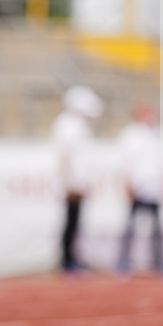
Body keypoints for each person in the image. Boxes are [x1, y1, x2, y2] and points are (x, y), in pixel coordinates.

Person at [114, 104, 163, 275]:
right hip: (137, 186)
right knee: (130, 226)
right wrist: (128, 184)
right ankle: (124, 262)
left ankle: (159, 262)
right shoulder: (130, 134)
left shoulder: (159, 133)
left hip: (155, 188)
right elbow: (125, 162)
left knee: (157, 227)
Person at [52, 85, 102, 273]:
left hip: (77, 182)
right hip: (71, 183)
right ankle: (67, 259)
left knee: (75, 220)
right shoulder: (67, 125)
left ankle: (72, 256)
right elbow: (65, 157)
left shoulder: (76, 126)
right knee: (70, 219)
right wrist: (68, 182)